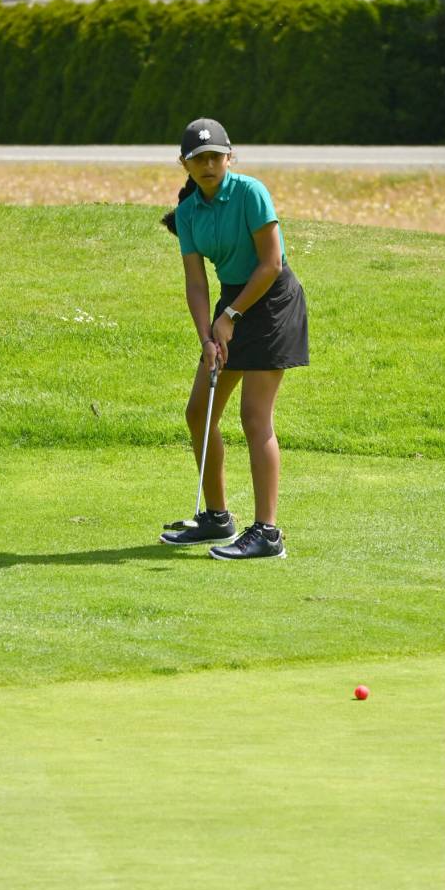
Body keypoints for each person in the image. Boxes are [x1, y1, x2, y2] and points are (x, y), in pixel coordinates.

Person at [159, 117, 309, 560]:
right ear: (184, 164)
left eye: (214, 157)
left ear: (229, 157)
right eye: (197, 159)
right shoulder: (188, 213)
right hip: (230, 303)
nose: (207, 165)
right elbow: (196, 283)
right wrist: (208, 335)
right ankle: (217, 518)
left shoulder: (250, 193)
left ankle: (267, 533)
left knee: (253, 417)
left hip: (272, 301)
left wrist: (230, 316)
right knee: (198, 413)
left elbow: (272, 264)